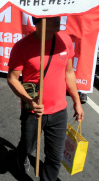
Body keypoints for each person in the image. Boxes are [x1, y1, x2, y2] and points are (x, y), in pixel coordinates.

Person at [7, 16, 84, 181]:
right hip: (33, 112)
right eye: (52, 18)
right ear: (38, 21)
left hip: (59, 111)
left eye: (58, 16)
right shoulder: (22, 46)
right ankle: (21, 156)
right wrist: (30, 101)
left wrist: (77, 102)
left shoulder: (65, 40)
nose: (58, 19)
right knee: (28, 146)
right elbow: (12, 79)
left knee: (55, 158)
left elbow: (69, 73)